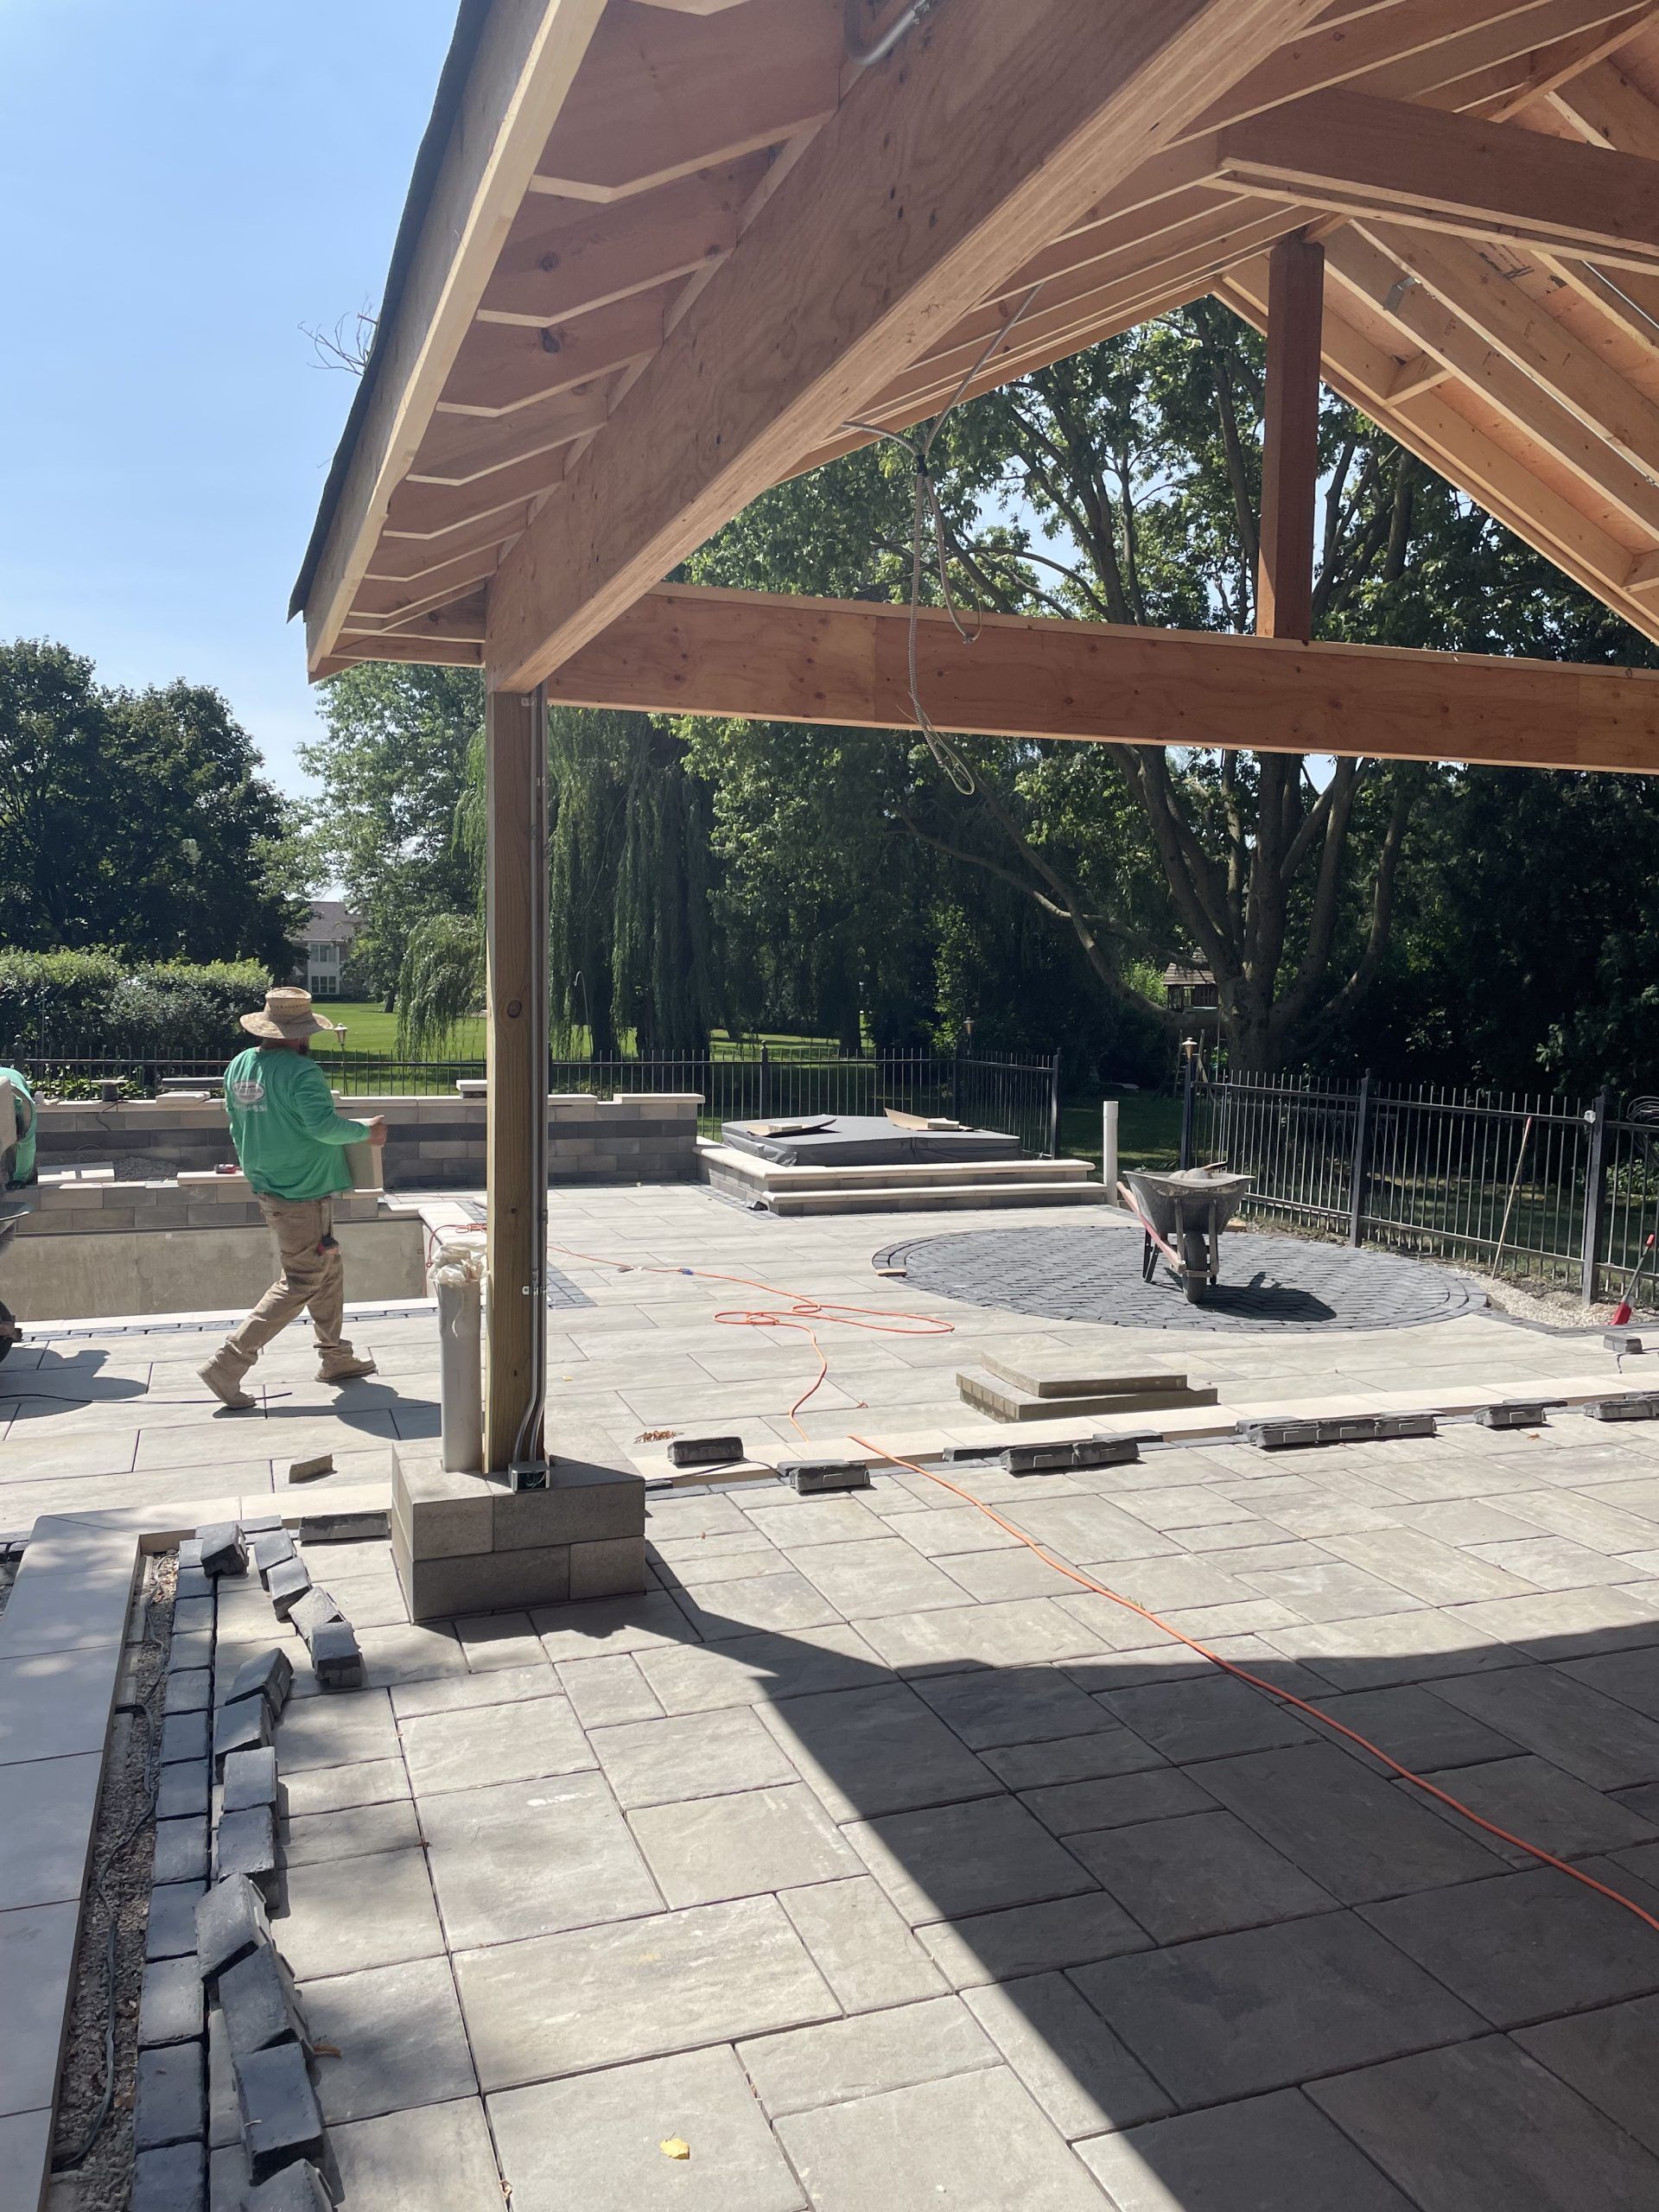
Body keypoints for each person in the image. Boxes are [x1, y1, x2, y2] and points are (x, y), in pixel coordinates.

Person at [198, 987, 388, 1410]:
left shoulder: (241, 1065)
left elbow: (236, 1123)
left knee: (328, 1266)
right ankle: (228, 1363)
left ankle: (335, 1357)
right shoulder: (302, 1072)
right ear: (302, 1033)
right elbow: (323, 1128)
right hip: (304, 1190)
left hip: (271, 1184)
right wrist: (367, 1133)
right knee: (303, 1279)